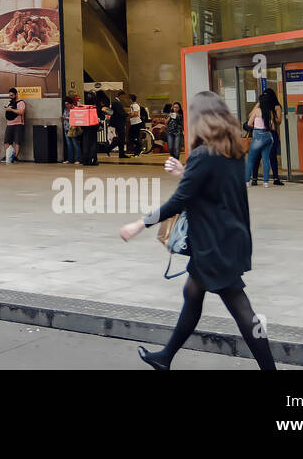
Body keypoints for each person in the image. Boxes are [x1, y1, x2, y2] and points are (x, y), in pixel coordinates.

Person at [119, 91, 275, 370]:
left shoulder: (204, 154)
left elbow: (180, 200)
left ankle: (269, 369)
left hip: (214, 244)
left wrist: (139, 224)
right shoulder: (232, 150)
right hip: (230, 238)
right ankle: (166, 357)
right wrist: (185, 172)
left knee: (242, 309)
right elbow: (213, 188)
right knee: (193, 293)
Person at [249, 89, 284, 186]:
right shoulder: (260, 106)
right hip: (260, 134)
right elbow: (250, 116)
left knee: (272, 156)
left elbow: (279, 121)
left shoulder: (276, 107)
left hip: (271, 133)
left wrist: (270, 116)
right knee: (257, 156)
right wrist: (258, 104)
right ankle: (254, 178)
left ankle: (276, 178)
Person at [242, 96, 273, 187]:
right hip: (268, 137)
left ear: (260, 102)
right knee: (266, 160)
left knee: (251, 159)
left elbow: (249, 123)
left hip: (258, 136)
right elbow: (272, 126)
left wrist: (256, 127)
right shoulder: (269, 112)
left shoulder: (257, 111)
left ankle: (247, 181)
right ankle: (266, 182)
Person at [4, 92, 26, 164]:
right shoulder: (10, 103)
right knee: (6, 141)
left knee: (17, 141)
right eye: (10, 95)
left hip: (18, 124)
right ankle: (8, 156)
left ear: (16, 94)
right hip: (9, 124)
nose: (11, 97)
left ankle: (15, 157)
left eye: (12, 95)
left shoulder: (21, 102)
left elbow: (21, 112)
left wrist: (11, 110)